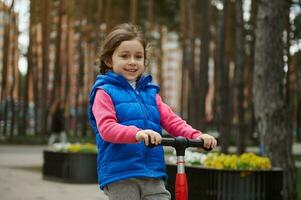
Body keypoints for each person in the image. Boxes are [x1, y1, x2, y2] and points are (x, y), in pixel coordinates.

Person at [88, 23, 217, 200]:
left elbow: (172, 121)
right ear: (109, 60)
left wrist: (197, 136)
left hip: (152, 171)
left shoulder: (150, 93)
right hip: (121, 173)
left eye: (138, 56)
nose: (132, 61)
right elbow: (107, 128)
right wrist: (138, 134)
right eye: (124, 56)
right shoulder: (104, 92)